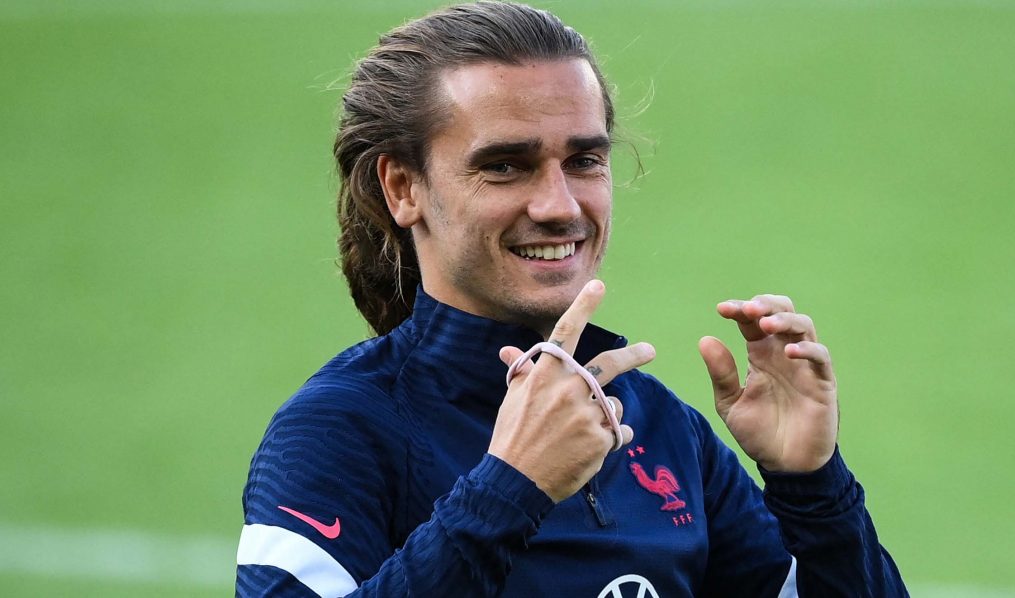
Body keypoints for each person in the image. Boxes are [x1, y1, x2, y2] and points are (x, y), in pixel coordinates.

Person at [235, 2, 908, 596]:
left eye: (584, 161)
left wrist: (813, 488)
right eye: (505, 165)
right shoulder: (339, 430)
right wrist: (509, 488)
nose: (559, 206)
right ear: (403, 188)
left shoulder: (662, 427)